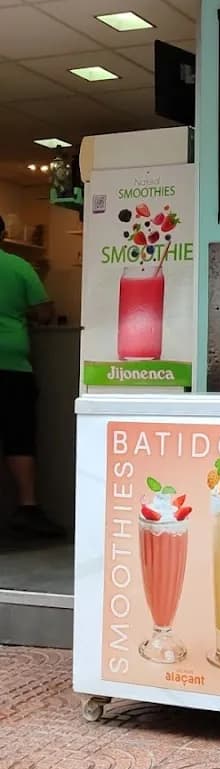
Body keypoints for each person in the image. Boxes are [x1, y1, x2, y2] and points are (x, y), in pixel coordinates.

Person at [0, 215, 61, 537]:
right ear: (3, 234)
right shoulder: (18, 266)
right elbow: (45, 312)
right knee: (19, 438)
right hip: (12, 366)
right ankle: (27, 508)